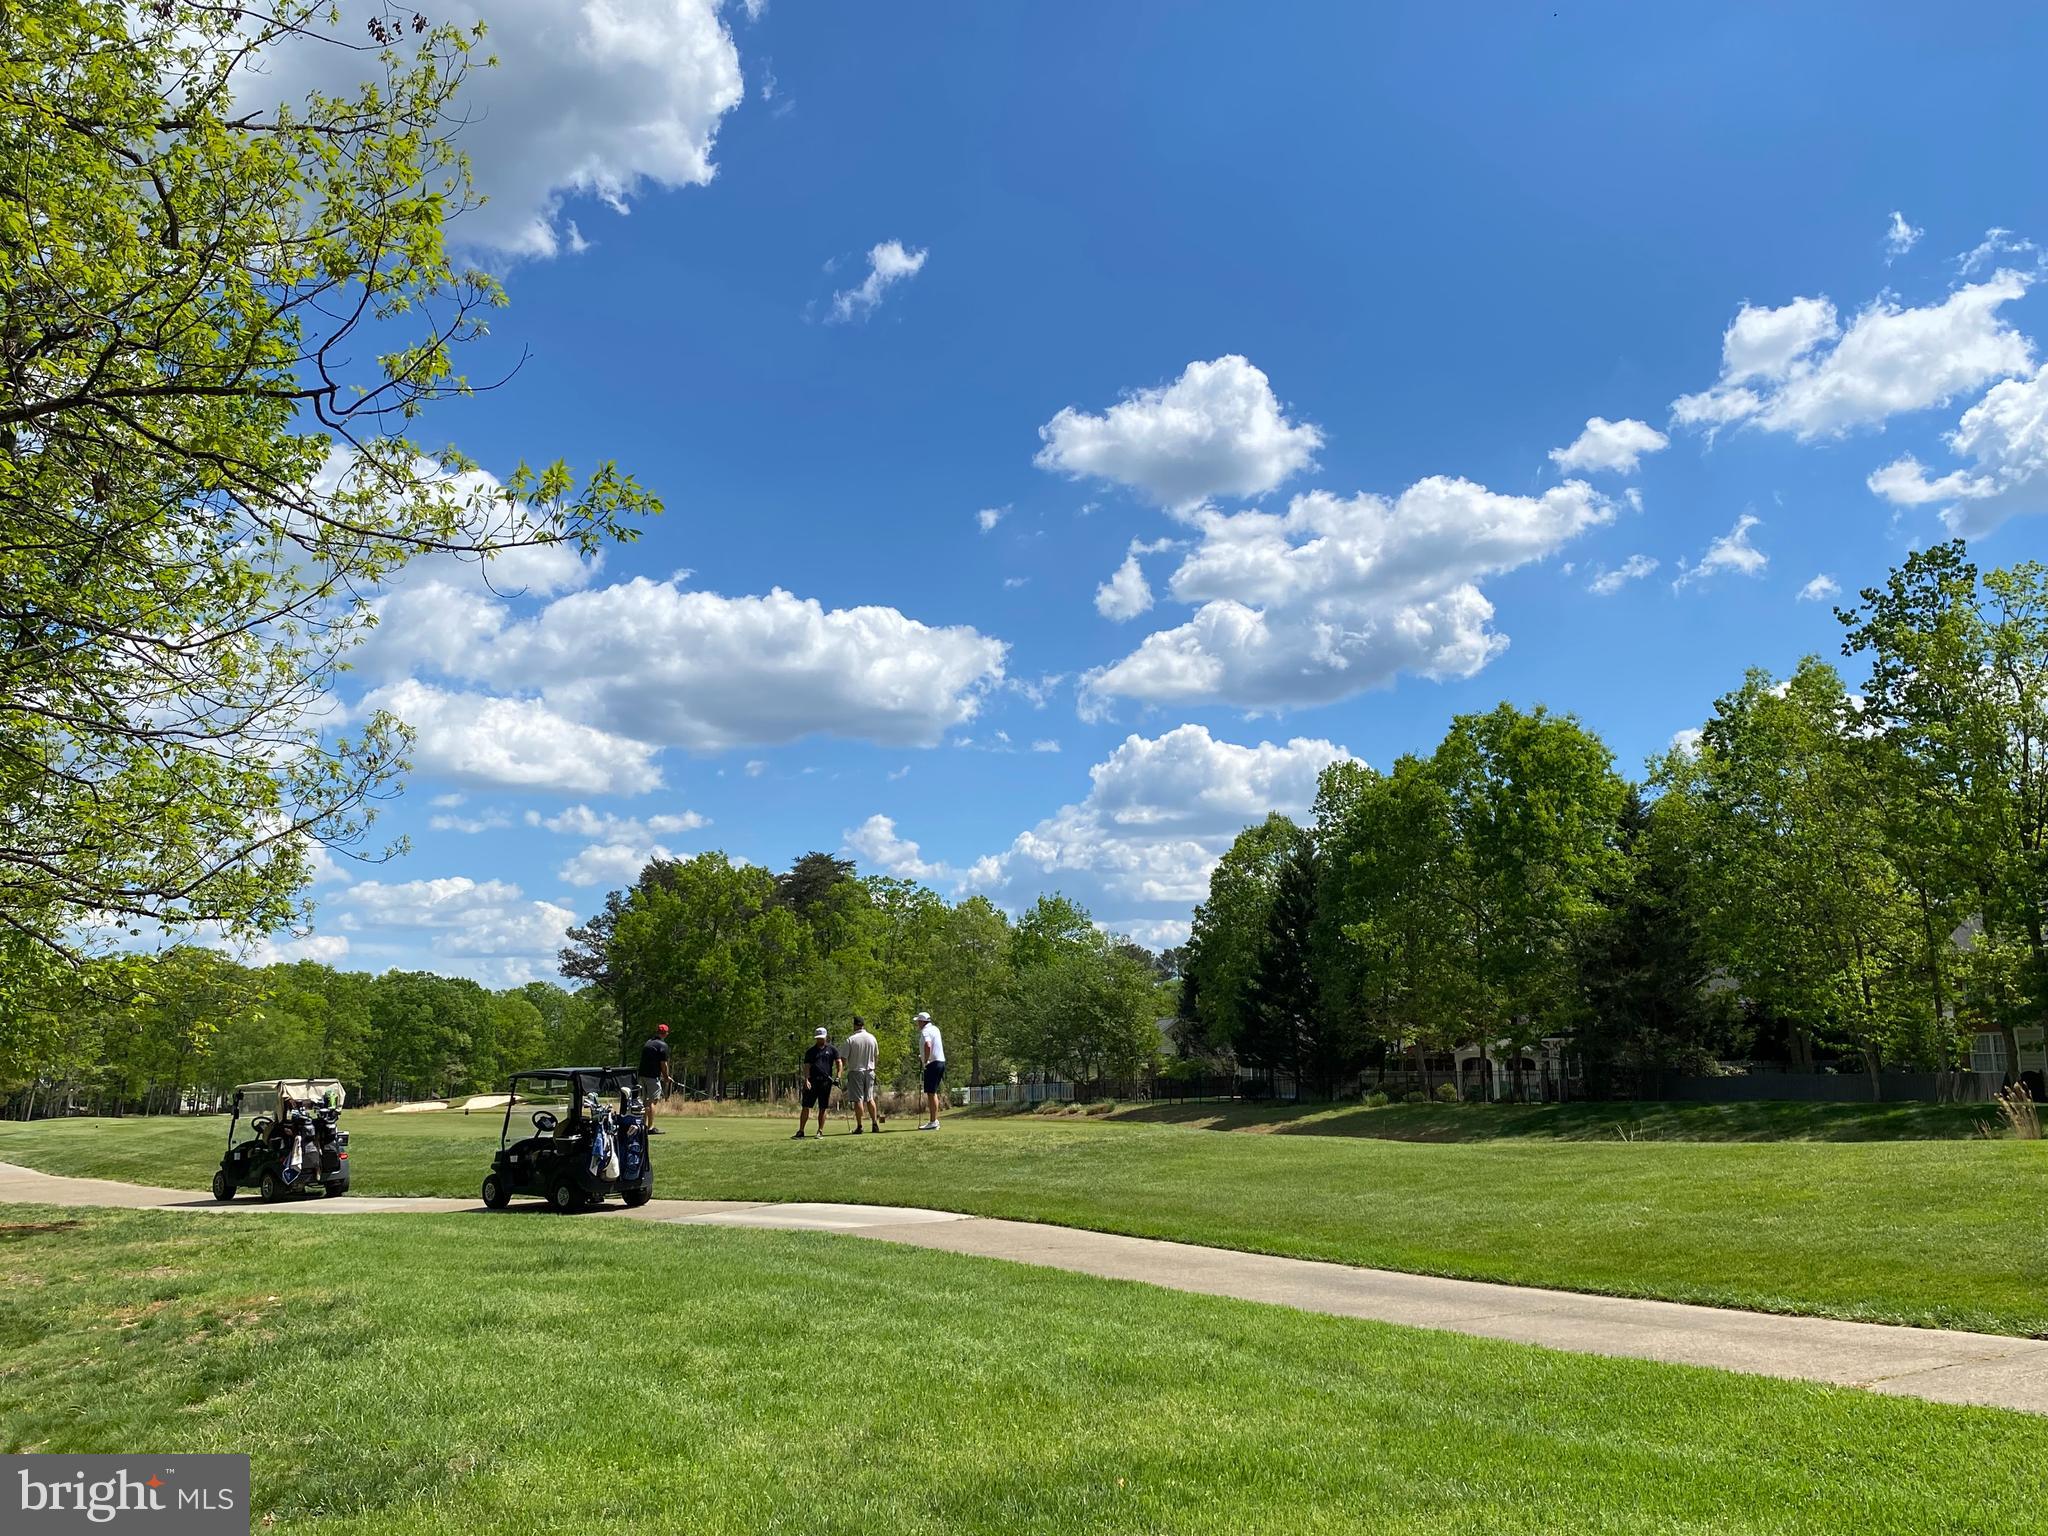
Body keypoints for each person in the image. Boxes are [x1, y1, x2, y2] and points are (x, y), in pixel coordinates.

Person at [794, 1026, 840, 1139]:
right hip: (812, 1082)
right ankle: (801, 1131)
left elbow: (839, 1062)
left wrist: (838, 1077)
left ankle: (820, 1131)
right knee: (806, 1106)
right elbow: (807, 1066)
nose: (820, 1040)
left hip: (825, 1082)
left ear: (826, 1037)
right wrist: (806, 1079)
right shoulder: (811, 1051)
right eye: (818, 1038)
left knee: (823, 1107)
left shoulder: (832, 1050)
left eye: (821, 1038)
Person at [842, 1016, 882, 1134]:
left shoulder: (851, 1039)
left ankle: (860, 1126)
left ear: (855, 1025)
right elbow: (876, 1056)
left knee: (858, 1099)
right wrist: (874, 1068)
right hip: (870, 1070)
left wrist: (842, 1070)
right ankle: (874, 1123)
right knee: (870, 1098)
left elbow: (843, 1058)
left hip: (856, 1071)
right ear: (863, 1025)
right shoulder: (872, 1038)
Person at [637, 1023, 672, 1135]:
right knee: (652, 1102)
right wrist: (666, 1077)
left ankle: (643, 1126)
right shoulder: (663, 1046)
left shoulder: (648, 1043)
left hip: (642, 1075)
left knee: (645, 1102)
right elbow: (663, 1064)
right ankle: (650, 1127)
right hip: (652, 1077)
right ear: (665, 1033)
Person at [915, 1009, 946, 1130]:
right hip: (940, 1062)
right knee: (933, 1092)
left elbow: (928, 1045)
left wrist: (925, 1060)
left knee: (931, 1093)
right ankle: (934, 1120)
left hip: (932, 1063)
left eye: (918, 1021)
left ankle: (933, 1122)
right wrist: (923, 1056)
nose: (917, 1024)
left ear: (923, 1022)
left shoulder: (925, 1031)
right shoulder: (935, 1029)